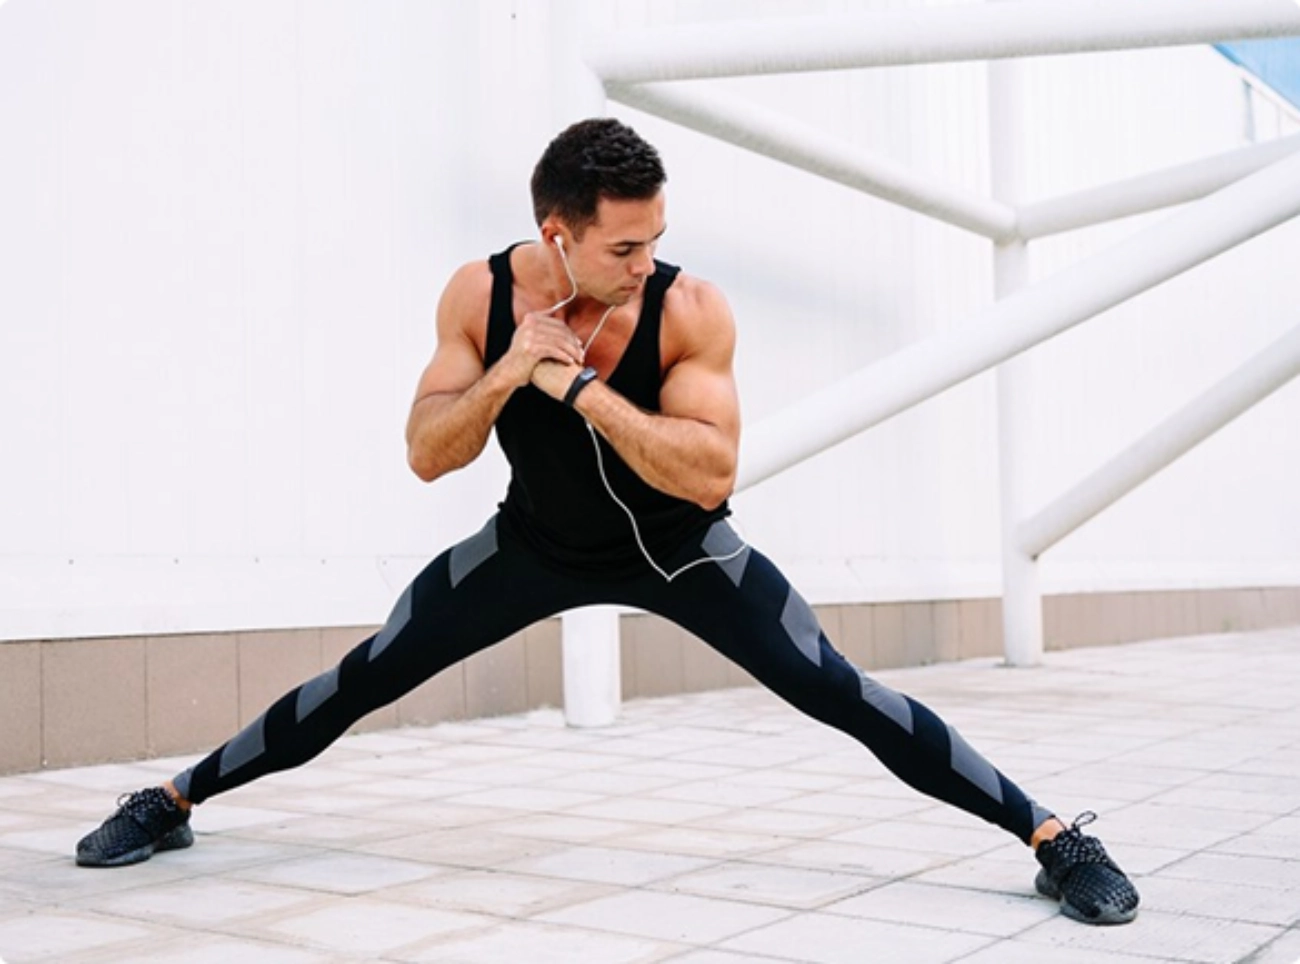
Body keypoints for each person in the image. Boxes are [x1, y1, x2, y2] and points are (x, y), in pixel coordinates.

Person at [75, 117, 1139, 925]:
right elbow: (425, 451)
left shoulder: (689, 308)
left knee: (840, 692)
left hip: (684, 553)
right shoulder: (478, 295)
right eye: (625, 246)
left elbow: (710, 467)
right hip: (530, 545)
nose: (645, 262)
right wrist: (509, 372)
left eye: (654, 239)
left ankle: (1051, 835)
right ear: (559, 234)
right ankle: (169, 799)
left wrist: (579, 390)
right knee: (368, 673)